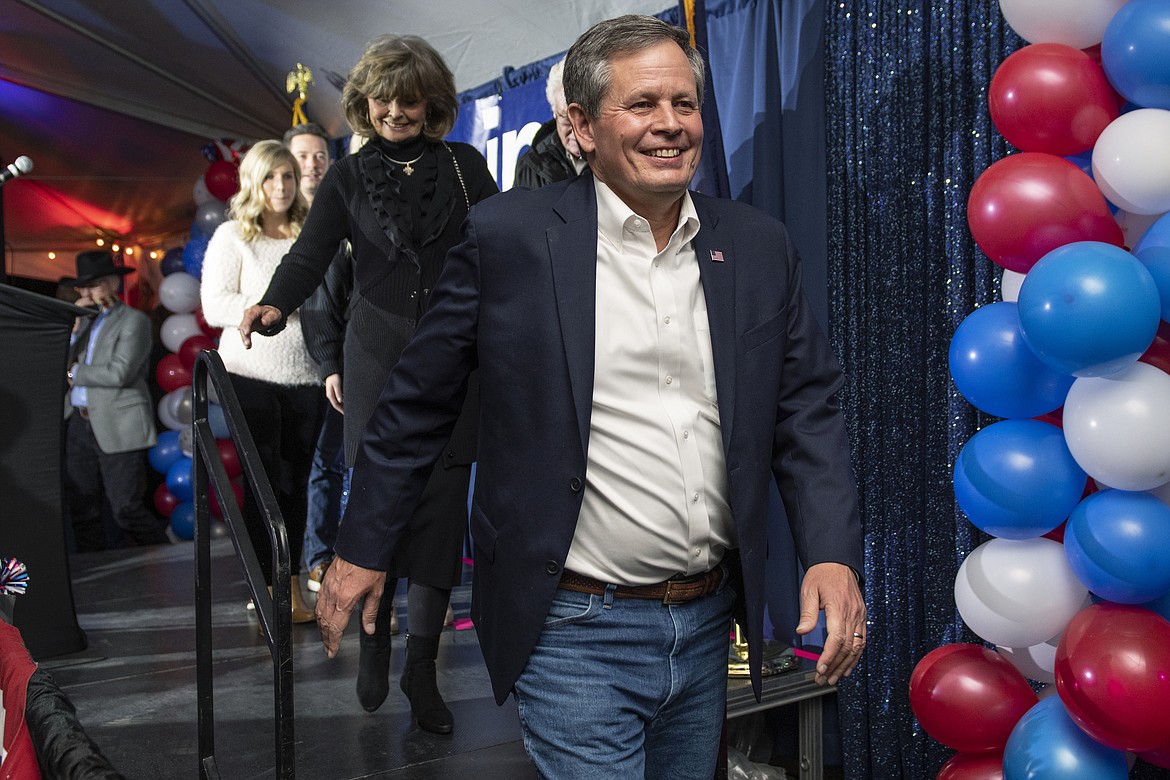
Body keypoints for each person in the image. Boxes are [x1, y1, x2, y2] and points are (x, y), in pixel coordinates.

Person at [301, 14, 869, 778]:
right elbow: (417, 403)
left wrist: (830, 552)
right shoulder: (508, 238)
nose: (671, 125)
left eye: (685, 103)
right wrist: (364, 545)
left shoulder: (758, 245)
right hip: (572, 627)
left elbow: (807, 408)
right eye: (642, 105)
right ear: (580, 126)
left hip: (708, 627)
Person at [236, 34, 498, 733]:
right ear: (364, 104)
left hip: (455, 361)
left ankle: (421, 666)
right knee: (380, 506)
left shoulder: (468, 168)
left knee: (442, 514)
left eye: (409, 98)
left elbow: (505, 250)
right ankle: (375, 639)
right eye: (382, 98)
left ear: (431, 102)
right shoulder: (348, 180)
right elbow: (311, 254)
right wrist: (273, 304)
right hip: (375, 360)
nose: (395, 111)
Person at [200, 139, 319, 624]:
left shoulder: (310, 233)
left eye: (288, 175)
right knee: (262, 483)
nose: (282, 185)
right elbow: (214, 305)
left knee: (296, 486)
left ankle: (290, 592)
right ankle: (264, 588)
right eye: (271, 176)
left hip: (307, 377)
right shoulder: (233, 235)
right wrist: (268, 307)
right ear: (254, 181)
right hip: (249, 376)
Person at [63, 250, 169, 551]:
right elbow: (62, 360)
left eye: (93, 285)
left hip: (118, 422)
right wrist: (72, 330)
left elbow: (119, 373)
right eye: (82, 287)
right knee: (83, 509)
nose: (85, 293)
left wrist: (74, 373)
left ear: (112, 283)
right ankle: (94, 577)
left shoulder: (133, 321)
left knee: (126, 508)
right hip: (79, 423)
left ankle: (173, 560)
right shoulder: (84, 321)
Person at [283, 122, 347, 595]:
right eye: (303, 157)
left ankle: (325, 556)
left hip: (335, 361)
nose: (313, 164)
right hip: (291, 368)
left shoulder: (344, 203)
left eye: (320, 155)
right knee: (305, 468)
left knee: (331, 461)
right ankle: (308, 560)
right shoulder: (278, 215)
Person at [513, 57, 587, 190]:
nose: (576, 130)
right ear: (554, 114)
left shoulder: (617, 158)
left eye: (584, 119)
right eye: (566, 119)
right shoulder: (530, 167)